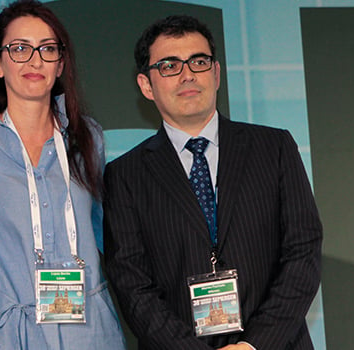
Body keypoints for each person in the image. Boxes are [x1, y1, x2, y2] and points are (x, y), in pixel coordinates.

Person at [103, 15, 322, 349]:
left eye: (199, 61)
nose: (188, 74)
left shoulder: (274, 148)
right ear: (146, 85)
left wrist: (254, 345)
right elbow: (132, 284)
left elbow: (302, 253)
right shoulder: (126, 175)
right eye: (169, 66)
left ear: (216, 74)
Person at [0, 1, 125, 348]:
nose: (35, 60)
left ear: (60, 64)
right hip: (6, 334)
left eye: (47, 49)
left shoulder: (89, 137)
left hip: (91, 332)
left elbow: (107, 235)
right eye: (20, 48)